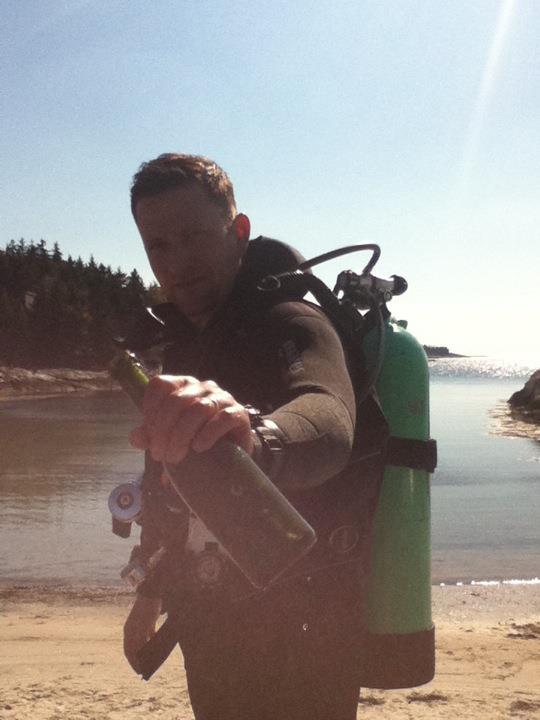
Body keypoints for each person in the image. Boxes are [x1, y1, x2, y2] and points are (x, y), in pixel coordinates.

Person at [122, 153, 385, 720]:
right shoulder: (182, 348)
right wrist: (149, 592)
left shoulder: (295, 320)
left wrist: (254, 436)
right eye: (158, 245)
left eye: (194, 236)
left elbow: (328, 416)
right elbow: (172, 486)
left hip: (311, 621)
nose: (177, 261)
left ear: (238, 233)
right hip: (211, 617)